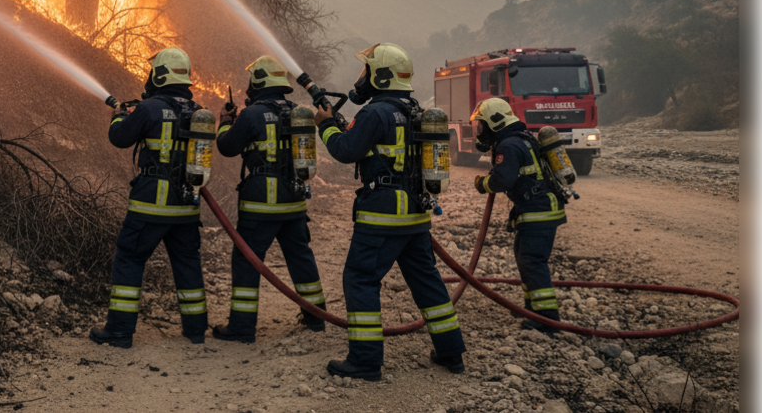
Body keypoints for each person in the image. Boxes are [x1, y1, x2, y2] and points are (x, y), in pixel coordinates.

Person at [314, 43, 466, 381]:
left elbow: (345, 150)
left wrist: (325, 125)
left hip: (382, 214)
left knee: (360, 278)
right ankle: (451, 352)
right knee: (427, 282)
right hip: (414, 214)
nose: (361, 77)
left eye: (366, 70)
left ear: (380, 76)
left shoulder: (375, 112)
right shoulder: (412, 110)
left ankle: (366, 361)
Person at [89, 48, 208, 348]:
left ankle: (119, 331)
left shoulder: (149, 108)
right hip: (186, 207)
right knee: (187, 263)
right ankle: (195, 330)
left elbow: (120, 138)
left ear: (160, 74)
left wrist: (118, 118)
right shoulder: (197, 111)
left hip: (151, 204)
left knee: (130, 257)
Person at [211, 55, 327, 343]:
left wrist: (225, 123)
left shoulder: (251, 115)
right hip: (294, 201)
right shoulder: (297, 111)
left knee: (247, 260)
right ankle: (316, 317)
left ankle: (241, 328)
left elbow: (227, 147)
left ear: (259, 81)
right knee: (300, 257)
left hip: (261, 203)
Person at [470, 98, 565, 335]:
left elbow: (503, 180)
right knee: (525, 259)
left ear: (494, 123)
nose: (479, 132)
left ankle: (546, 319)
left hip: (538, 211)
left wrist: (482, 183)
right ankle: (532, 309)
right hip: (534, 210)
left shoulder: (510, 145)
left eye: (481, 126)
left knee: (532, 261)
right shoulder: (517, 139)